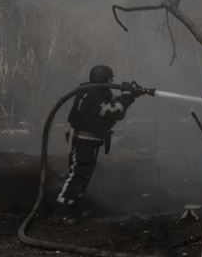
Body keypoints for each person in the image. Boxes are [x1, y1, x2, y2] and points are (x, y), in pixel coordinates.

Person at [54, 64, 145, 224]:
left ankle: (75, 207)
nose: (112, 81)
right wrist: (125, 98)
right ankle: (62, 210)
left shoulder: (100, 93)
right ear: (104, 79)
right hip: (82, 140)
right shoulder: (90, 94)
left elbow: (115, 110)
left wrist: (128, 97)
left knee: (85, 175)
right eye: (110, 78)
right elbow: (112, 112)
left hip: (91, 140)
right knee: (78, 173)